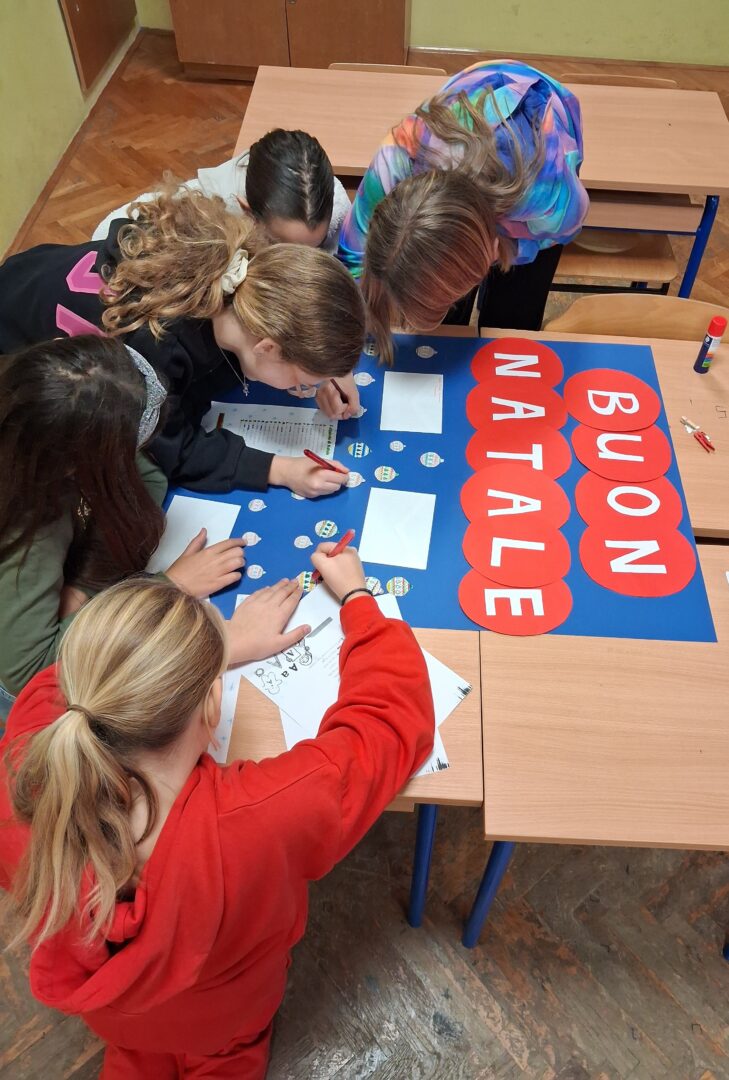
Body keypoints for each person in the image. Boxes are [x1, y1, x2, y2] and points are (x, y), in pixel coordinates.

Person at [0, 546, 434, 1078]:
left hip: (115, 1018)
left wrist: (200, 646)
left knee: (139, 1050)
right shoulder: (262, 819)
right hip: (224, 1019)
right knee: (227, 1055)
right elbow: (388, 721)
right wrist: (358, 598)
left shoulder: (21, 771)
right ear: (212, 703)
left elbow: (61, 684)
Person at [0, 188, 365, 499]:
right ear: (267, 347)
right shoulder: (155, 350)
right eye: (303, 381)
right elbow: (173, 448)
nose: (303, 388)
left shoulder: (241, 272)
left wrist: (325, 363)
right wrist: (278, 469)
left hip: (25, 271)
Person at [0, 335, 249, 719]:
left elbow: (148, 473)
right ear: (73, 465)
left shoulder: (38, 412)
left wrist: (85, 585)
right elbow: (27, 675)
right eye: (123, 450)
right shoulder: (30, 526)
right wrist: (168, 588)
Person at [337, 59, 589, 365]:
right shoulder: (399, 155)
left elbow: (563, 231)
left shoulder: (548, 195)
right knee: (445, 326)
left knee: (511, 321)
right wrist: (344, 348)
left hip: (532, 159)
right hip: (471, 161)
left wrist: (513, 250)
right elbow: (352, 260)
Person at [92, 129, 352, 253]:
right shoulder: (205, 217)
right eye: (280, 246)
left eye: (313, 248)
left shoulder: (337, 204)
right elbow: (105, 235)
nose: (300, 262)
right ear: (247, 212)